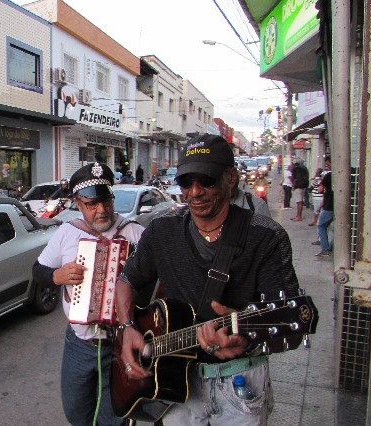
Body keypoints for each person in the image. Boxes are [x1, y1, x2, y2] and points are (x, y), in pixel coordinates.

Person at [115, 134, 300, 425]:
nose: (195, 191)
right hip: (174, 386)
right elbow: (126, 279)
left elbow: (289, 328)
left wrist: (245, 339)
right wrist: (127, 327)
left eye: (207, 180)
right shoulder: (162, 232)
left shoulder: (266, 236)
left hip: (240, 383)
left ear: (231, 178)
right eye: (186, 182)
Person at [33, 162, 145, 426]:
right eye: (91, 204)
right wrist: (55, 276)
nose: (102, 210)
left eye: (106, 201)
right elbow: (38, 270)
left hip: (121, 343)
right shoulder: (67, 232)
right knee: (76, 411)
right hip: (80, 342)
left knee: (115, 415)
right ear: (78, 204)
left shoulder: (135, 233)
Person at [315, 163, 333, 257]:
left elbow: (320, 189)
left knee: (321, 226)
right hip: (340, 206)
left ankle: (325, 249)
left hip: (329, 206)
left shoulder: (329, 175)